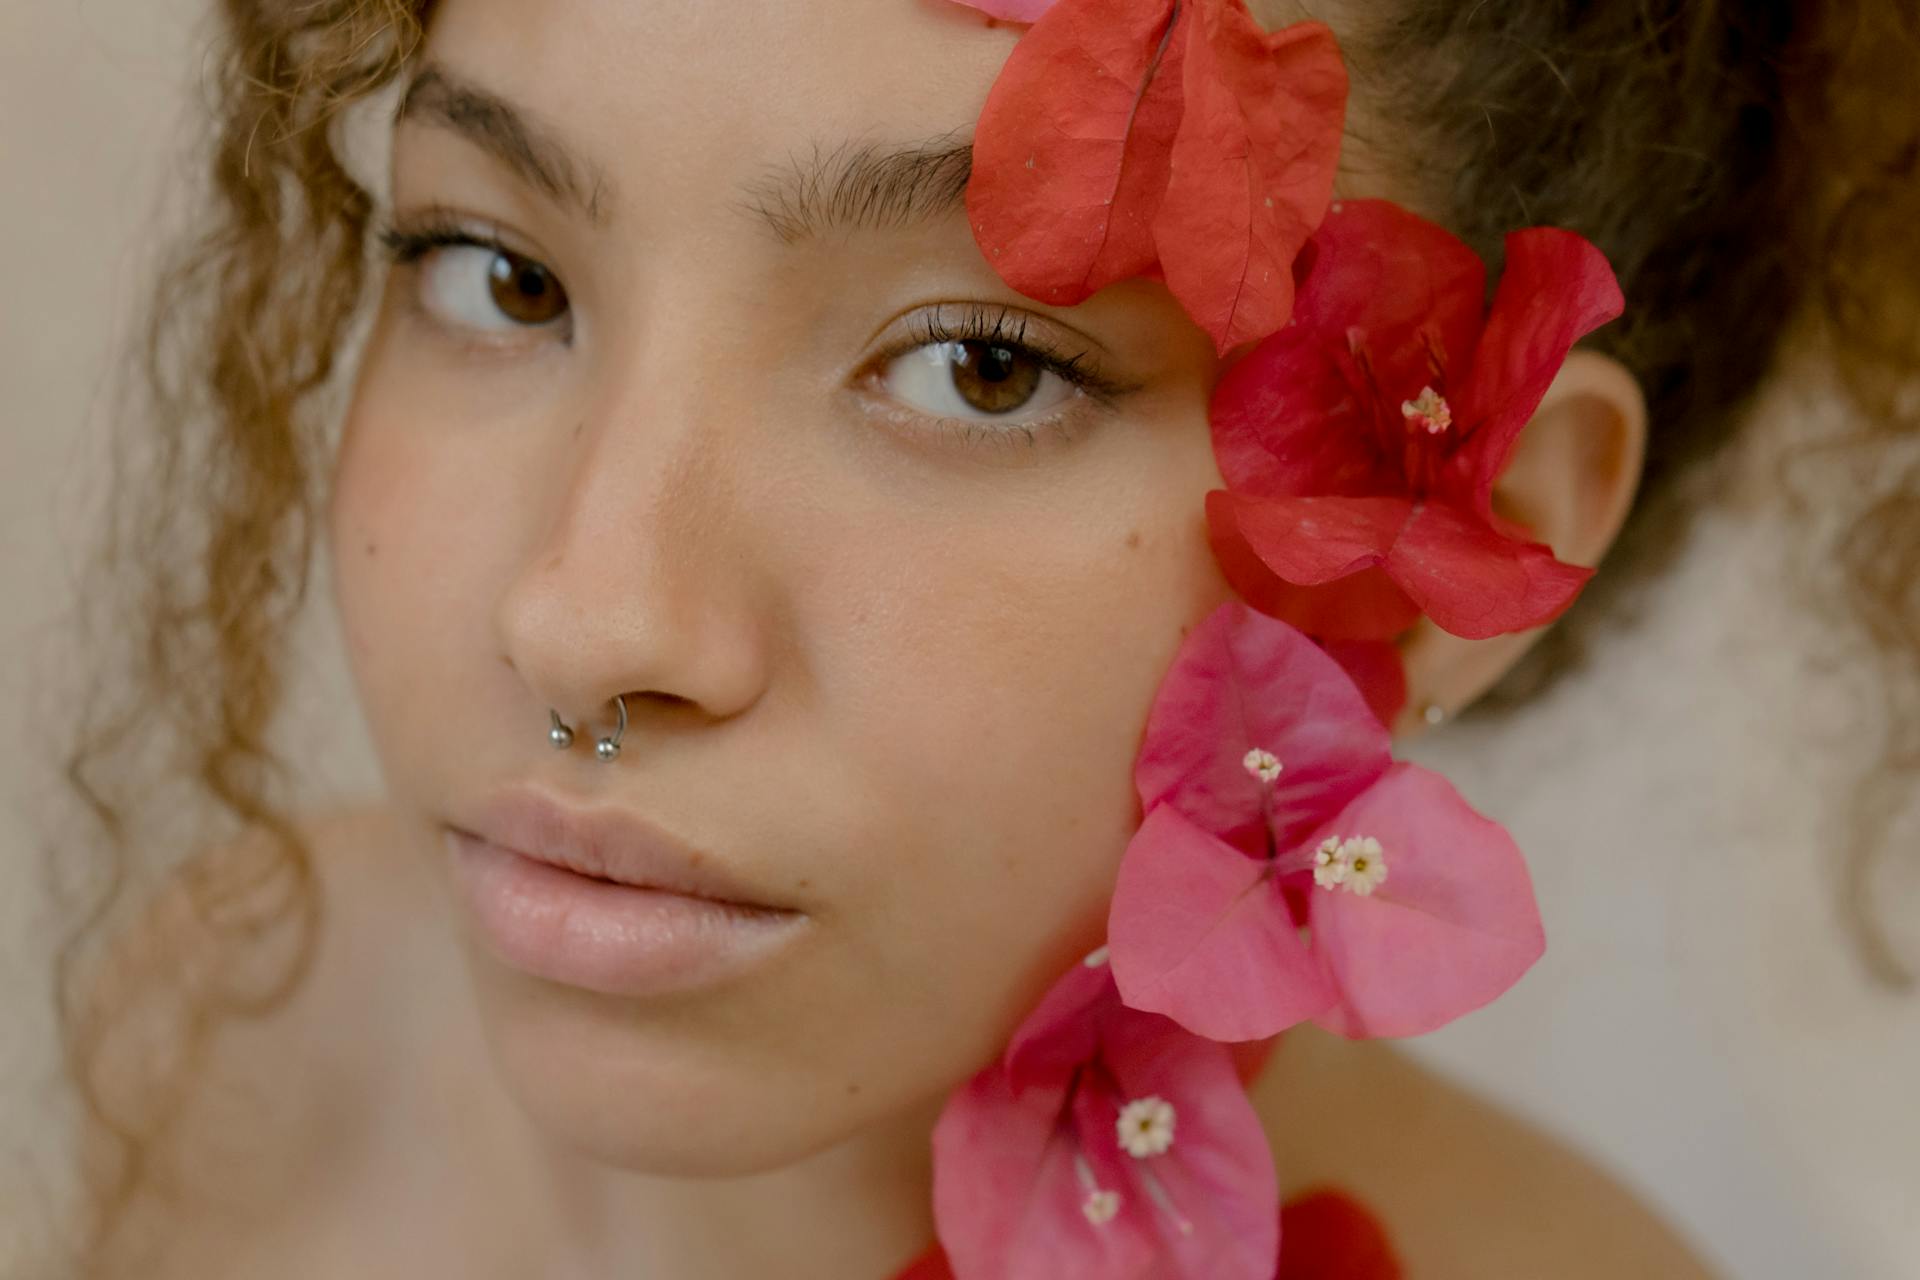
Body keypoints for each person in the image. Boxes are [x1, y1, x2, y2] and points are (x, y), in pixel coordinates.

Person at [35, 0, 1915, 1276]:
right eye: (500, 273)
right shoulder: (243, 1024)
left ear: (1471, 524)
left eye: (980, 364)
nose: (585, 622)